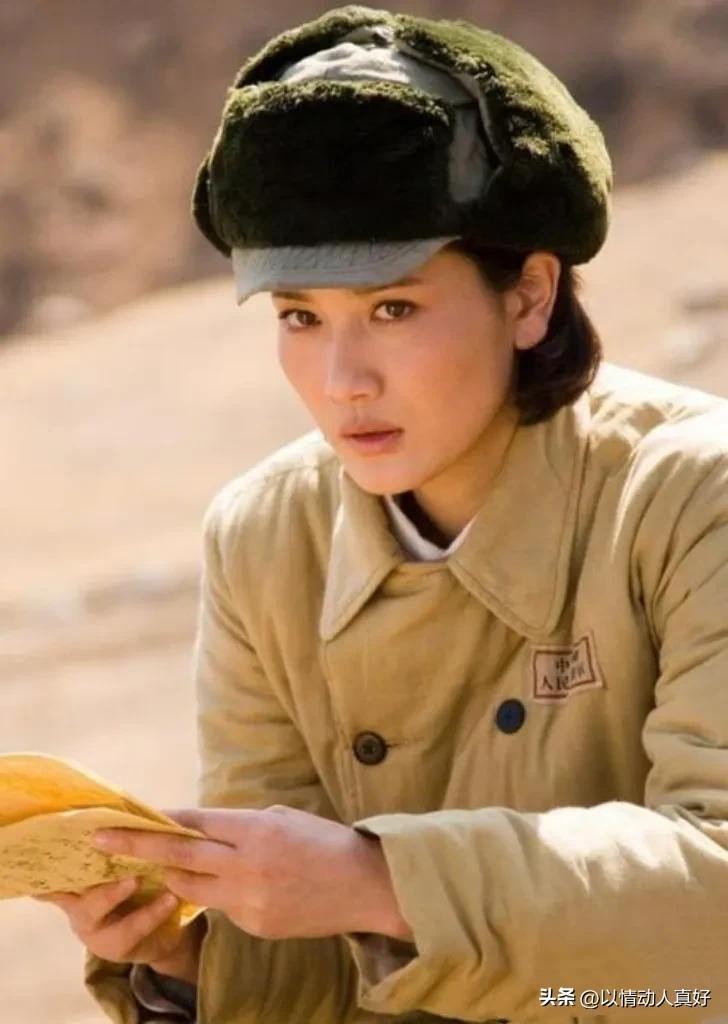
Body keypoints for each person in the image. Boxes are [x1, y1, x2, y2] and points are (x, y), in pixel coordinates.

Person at [37, 6, 728, 1023]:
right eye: (299, 317)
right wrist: (184, 960)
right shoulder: (265, 538)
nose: (342, 381)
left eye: (392, 310)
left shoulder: (691, 494)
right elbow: (314, 965)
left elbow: (712, 909)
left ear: (529, 296)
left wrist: (377, 879)